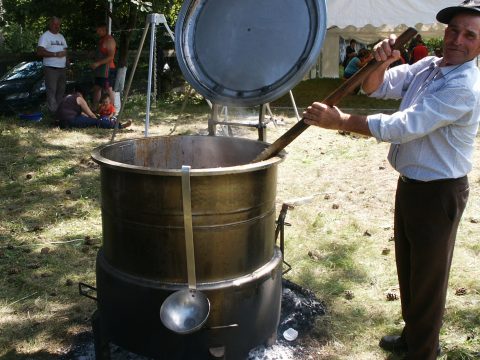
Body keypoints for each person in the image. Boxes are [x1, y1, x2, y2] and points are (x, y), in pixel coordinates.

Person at [303, 2, 480, 359]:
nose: (457, 39)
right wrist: (381, 60)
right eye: (453, 30)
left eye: (469, 35)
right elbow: (376, 88)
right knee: (410, 267)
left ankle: (423, 351)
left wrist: (341, 122)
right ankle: (412, 334)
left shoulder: (464, 87)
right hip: (411, 185)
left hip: (439, 192)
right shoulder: (430, 67)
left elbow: (404, 126)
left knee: (429, 280)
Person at [37, 16, 68, 113]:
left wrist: (68, 64)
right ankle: (53, 114)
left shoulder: (61, 36)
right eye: (55, 24)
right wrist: (55, 54)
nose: (57, 26)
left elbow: (65, 51)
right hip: (51, 68)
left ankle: (59, 112)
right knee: (52, 91)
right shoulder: (45, 36)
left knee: (61, 91)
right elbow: (39, 52)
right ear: (50, 24)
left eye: (58, 24)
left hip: (62, 68)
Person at [56, 89, 130, 129]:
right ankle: (118, 126)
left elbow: (81, 113)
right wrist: (96, 120)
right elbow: (90, 114)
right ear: (81, 94)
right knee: (96, 122)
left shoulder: (67, 97)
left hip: (61, 122)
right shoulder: (79, 98)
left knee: (85, 119)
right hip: (71, 120)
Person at [91, 23, 116, 108]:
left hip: (107, 69)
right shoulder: (101, 40)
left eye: (99, 30)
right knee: (97, 88)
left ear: (104, 29)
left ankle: (112, 111)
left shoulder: (109, 40)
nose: (97, 32)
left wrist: (98, 63)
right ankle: (95, 108)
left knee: (108, 89)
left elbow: (111, 57)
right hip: (100, 69)